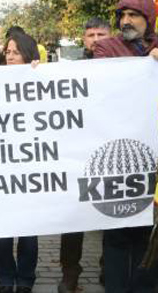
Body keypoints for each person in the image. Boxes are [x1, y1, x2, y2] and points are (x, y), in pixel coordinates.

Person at [93, 0, 158, 293]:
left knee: (148, 240)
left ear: (149, 18)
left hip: (153, 161)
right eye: (122, 15)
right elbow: (106, 85)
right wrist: (146, 64)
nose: (126, 21)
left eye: (134, 15)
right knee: (118, 235)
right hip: (119, 159)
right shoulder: (107, 48)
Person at [57, 17, 110, 293]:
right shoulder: (71, 70)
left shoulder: (127, 65)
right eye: (91, 35)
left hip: (112, 153)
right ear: (83, 38)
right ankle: (70, 271)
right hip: (78, 155)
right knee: (74, 217)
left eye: (102, 34)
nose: (96, 40)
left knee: (112, 213)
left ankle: (108, 265)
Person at [0, 31, 40, 293]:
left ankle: (25, 279)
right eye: (8, 52)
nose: (10, 56)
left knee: (29, 229)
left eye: (16, 52)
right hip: (1, 165)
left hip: (30, 167)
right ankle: (4, 278)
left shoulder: (39, 77)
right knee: (2, 228)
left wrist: (39, 74)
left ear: (28, 54)